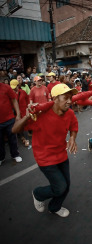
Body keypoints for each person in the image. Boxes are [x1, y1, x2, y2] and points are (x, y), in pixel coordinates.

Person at [12, 83, 78, 217]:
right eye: (65, 98)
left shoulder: (70, 113)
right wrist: (27, 116)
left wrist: (72, 138)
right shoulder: (40, 115)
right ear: (55, 99)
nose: (70, 101)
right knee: (60, 187)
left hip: (61, 155)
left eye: (70, 97)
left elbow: (74, 127)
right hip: (45, 158)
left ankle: (54, 207)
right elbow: (15, 130)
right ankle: (38, 193)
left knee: (66, 186)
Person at [0, 77, 22, 165]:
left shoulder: (6, 87)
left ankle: (15, 155)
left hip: (9, 119)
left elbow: (14, 100)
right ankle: (1, 157)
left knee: (12, 138)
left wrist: (18, 114)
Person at [10, 79, 30, 147]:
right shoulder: (10, 94)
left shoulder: (23, 92)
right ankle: (22, 137)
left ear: (18, 85)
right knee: (19, 125)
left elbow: (27, 100)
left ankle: (26, 139)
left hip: (24, 111)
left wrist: (28, 108)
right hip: (16, 113)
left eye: (14, 87)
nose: (13, 89)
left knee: (25, 125)